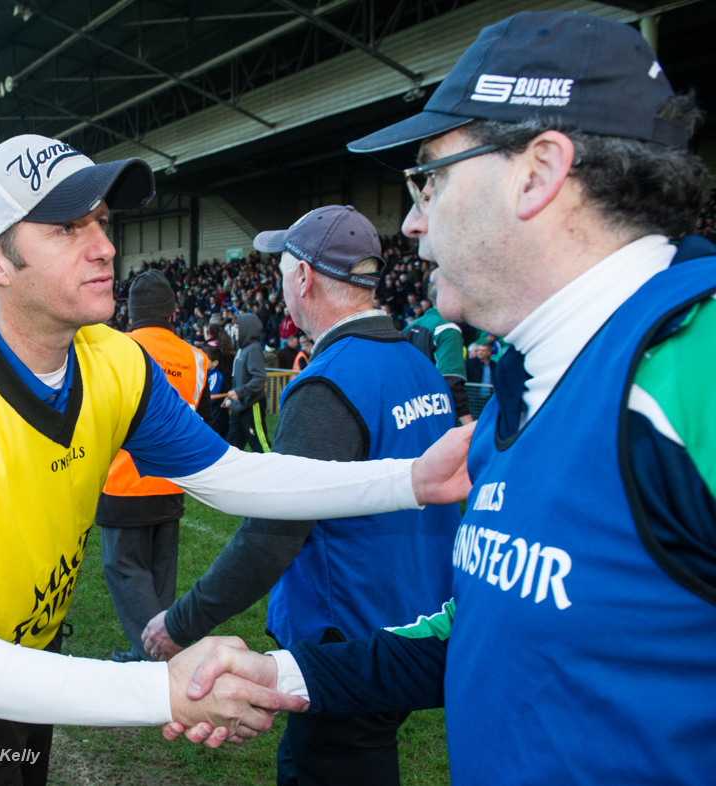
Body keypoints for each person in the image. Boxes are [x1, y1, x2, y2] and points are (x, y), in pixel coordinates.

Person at [169, 11, 716, 784]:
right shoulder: (526, 387)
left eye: (430, 178)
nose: (414, 222)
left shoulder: (698, 362)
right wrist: (287, 677)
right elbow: (488, 626)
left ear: (538, 172)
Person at [0, 133, 473, 786]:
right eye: (67, 227)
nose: (104, 245)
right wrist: (165, 689)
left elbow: (229, 477)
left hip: (35, 643)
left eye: (99, 220)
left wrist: (409, 479)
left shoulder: (115, 360)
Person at [144, 206, 461, 785]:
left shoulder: (329, 382)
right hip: (413, 623)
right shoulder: (417, 363)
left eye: (283, 269)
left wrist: (182, 622)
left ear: (305, 278)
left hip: (349, 637)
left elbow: (272, 532)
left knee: (323, 767)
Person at [96, 269, 211, 663]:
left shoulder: (113, 349)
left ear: (129, 312)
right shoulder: (196, 358)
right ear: (172, 313)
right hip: (171, 483)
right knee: (161, 575)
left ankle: (154, 654)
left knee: (125, 567)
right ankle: (162, 643)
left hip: (122, 483)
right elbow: (203, 423)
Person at [402, 288, 472, 423]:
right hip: (435, 415)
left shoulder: (410, 326)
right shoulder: (448, 329)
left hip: (407, 413)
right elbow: (451, 379)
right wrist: (468, 423)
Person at [225, 312, 270, 452]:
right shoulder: (242, 350)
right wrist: (230, 399)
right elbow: (238, 380)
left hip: (251, 406)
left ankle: (274, 470)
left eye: (238, 327)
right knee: (231, 447)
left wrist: (240, 392)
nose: (235, 331)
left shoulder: (253, 349)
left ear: (247, 329)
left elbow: (259, 379)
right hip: (239, 408)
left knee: (261, 447)